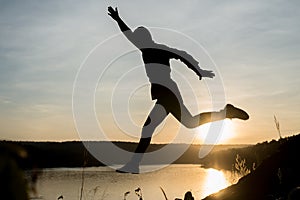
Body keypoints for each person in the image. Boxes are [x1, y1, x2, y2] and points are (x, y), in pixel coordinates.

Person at [108, 6, 249, 173]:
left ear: (145, 38)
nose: (136, 41)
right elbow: (130, 34)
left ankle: (134, 164)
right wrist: (118, 19)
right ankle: (225, 113)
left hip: (168, 93)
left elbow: (182, 55)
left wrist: (198, 70)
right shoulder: (146, 48)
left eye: (139, 38)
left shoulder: (157, 49)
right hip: (165, 93)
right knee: (189, 122)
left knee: (151, 128)